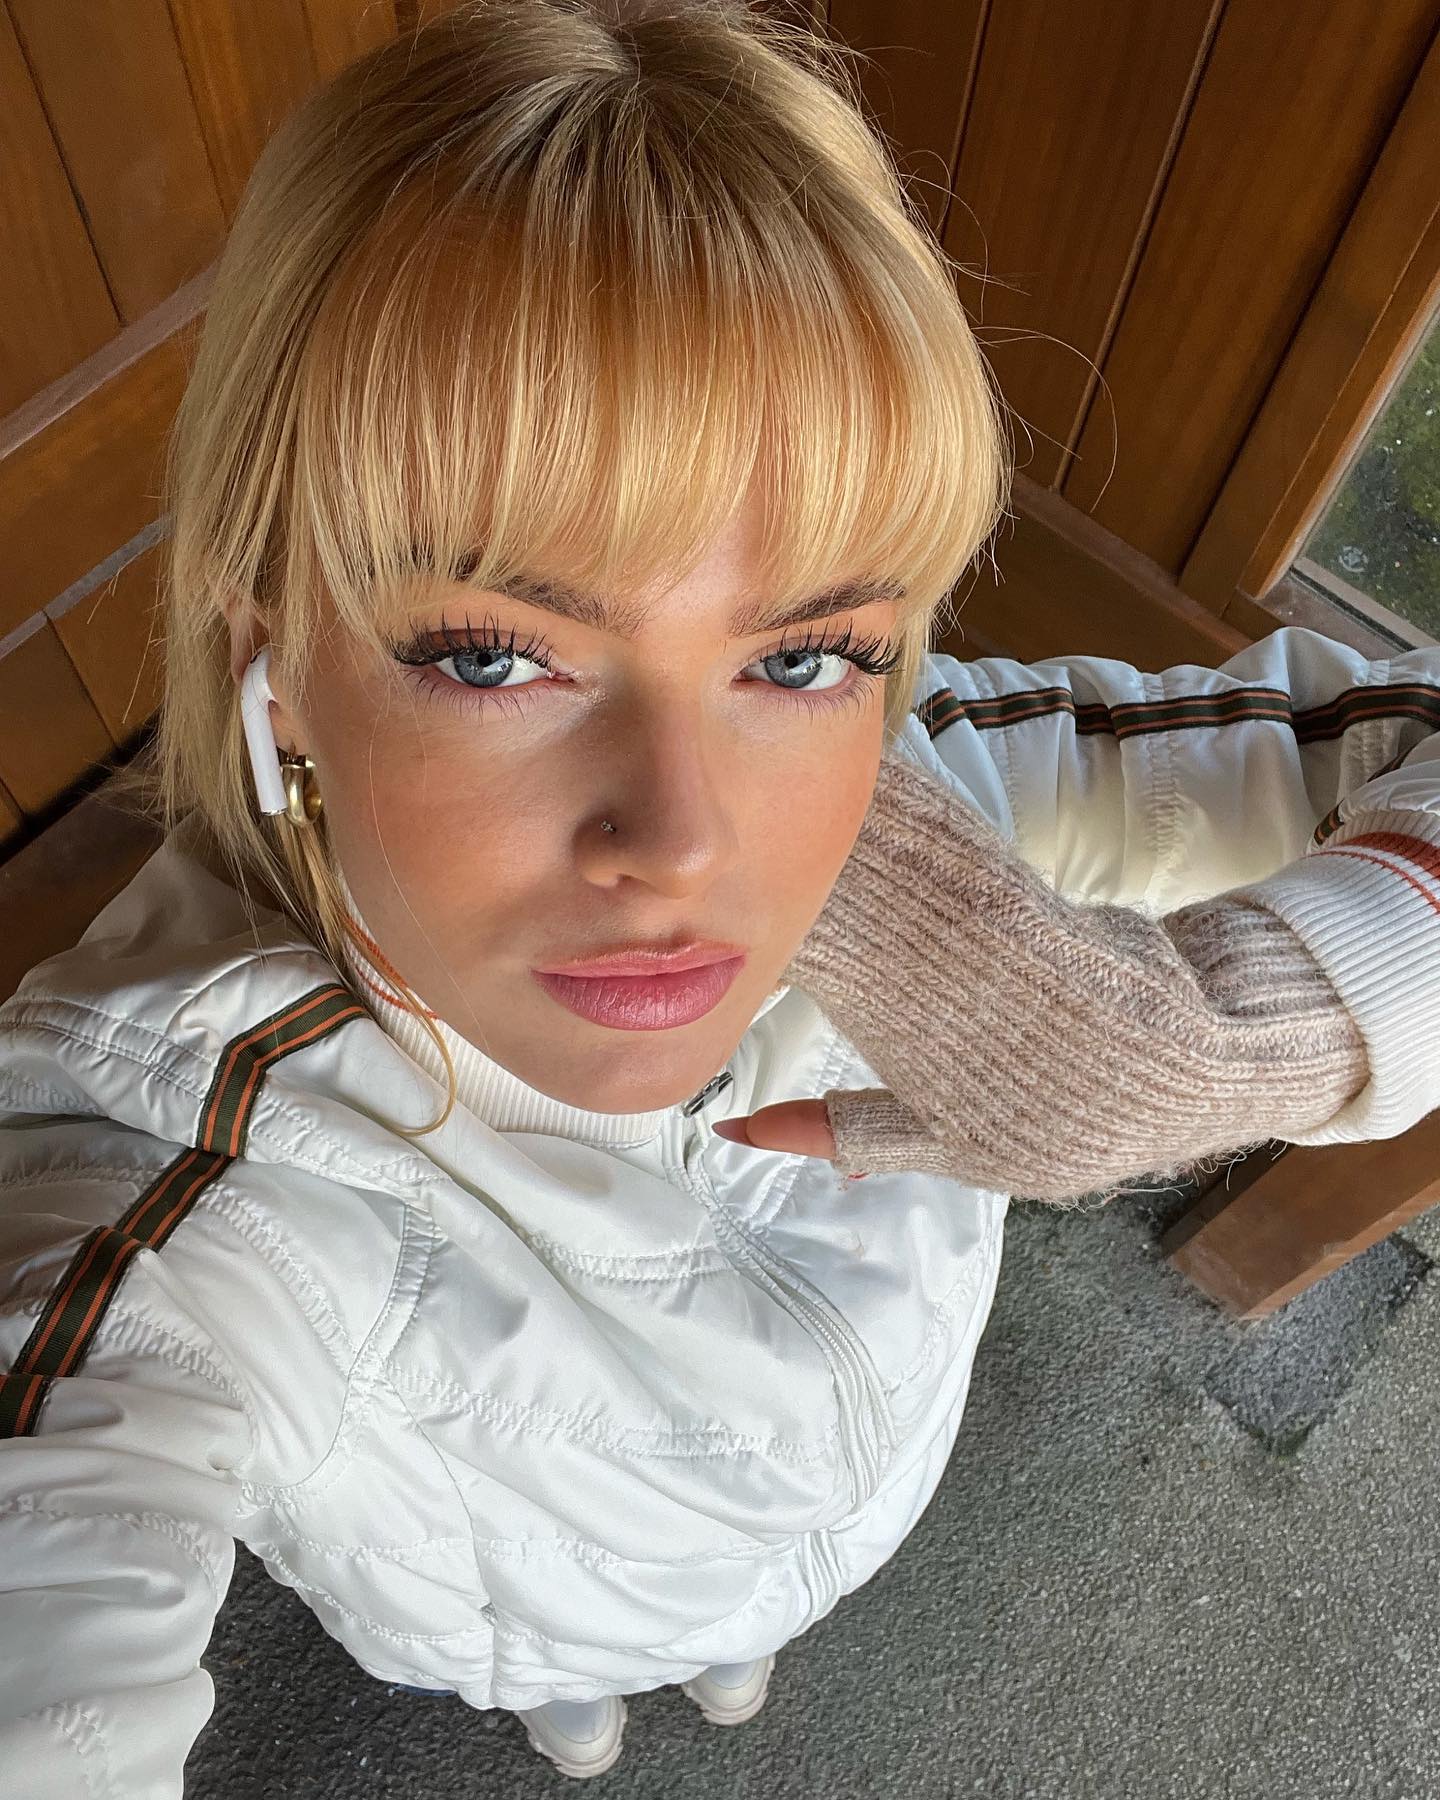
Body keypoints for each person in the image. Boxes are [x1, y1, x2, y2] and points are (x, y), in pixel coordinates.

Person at [2, 1, 1437, 1790]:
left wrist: (1248, 1030)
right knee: (568, 1685)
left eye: (806, 653)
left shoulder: (959, 790)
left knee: (743, 1636)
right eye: (493, 656)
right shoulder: (164, 1173)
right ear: (276, 668)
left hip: (867, 1502)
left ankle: (734, 1641)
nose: (682, 842)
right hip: (516, 1611)